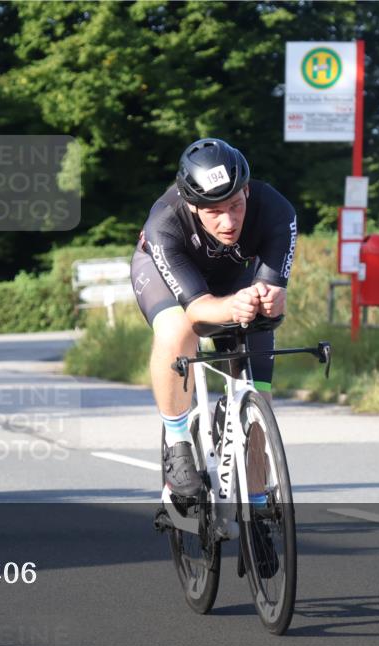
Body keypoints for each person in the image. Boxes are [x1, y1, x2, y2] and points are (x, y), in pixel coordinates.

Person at [130, 138, 297, 500]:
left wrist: (271, 300)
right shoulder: (166, 221)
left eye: (236, 206)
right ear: (192, 204)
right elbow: (198, 311)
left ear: (247, 190)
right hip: (167, 277)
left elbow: (271, 296)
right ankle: (177, 444)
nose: (229, 221)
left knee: (259, 397)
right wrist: (233, 306)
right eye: (214, 211)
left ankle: (257, 508)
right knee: (178, 330)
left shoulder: (276, 211)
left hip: (232, 278)